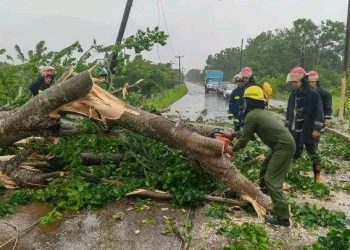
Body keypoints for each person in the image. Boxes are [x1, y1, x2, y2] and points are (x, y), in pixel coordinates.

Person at [233, 86, 295, 227]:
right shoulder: (259, 113)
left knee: (271, 180)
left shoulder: (252, 115)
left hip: (283, 147)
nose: (244, 103)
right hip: (283, 145)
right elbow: (247, 133)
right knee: (264, 169)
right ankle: (266, 197)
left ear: (249, 101)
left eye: (246, 101)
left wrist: (232, 150)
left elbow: (244, 140)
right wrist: (232, 134)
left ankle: (283, 218)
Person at [285, 67, 324, 183]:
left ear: (303, 80)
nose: (294, 84)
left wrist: (317, 128)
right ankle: (292, 172)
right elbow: (289, 112)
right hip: (295, 128)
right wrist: (287, 126)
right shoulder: (293, 94)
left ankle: (317, 176)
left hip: (308, 128)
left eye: (295, 82)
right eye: (292, 82)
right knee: (294, 150)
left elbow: (319, 112)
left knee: (312, 153)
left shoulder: (313, 94)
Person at [228, 67, 256, 131]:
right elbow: (231, 102)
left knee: (247, 129)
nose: (239, 83)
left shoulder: (251, 87)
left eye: (246, 78)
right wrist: (230, 112)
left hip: (247, 114)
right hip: (237, 114)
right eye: (244, 78)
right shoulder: (235, 91)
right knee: (237, 127)